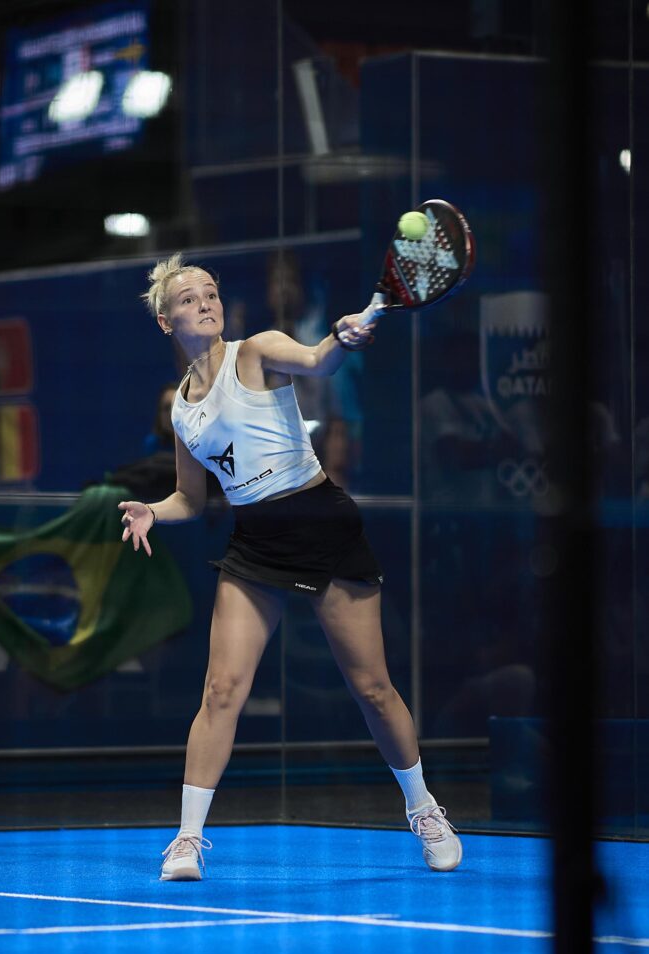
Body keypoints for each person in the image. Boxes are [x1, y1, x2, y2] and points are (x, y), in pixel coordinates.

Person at [118, 253, 462, 880]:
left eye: (211, 293)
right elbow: (190, 498)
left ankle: (424, 808)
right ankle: (188, 840)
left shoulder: (256, 350)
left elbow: (317, 360)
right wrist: (152, 513)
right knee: (221, 690)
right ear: (166, 321)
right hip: (255, 542)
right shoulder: (182, 409)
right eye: (189, 298)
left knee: (372, 688)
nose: (205, 303)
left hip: (319, 521)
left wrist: (341, 337)